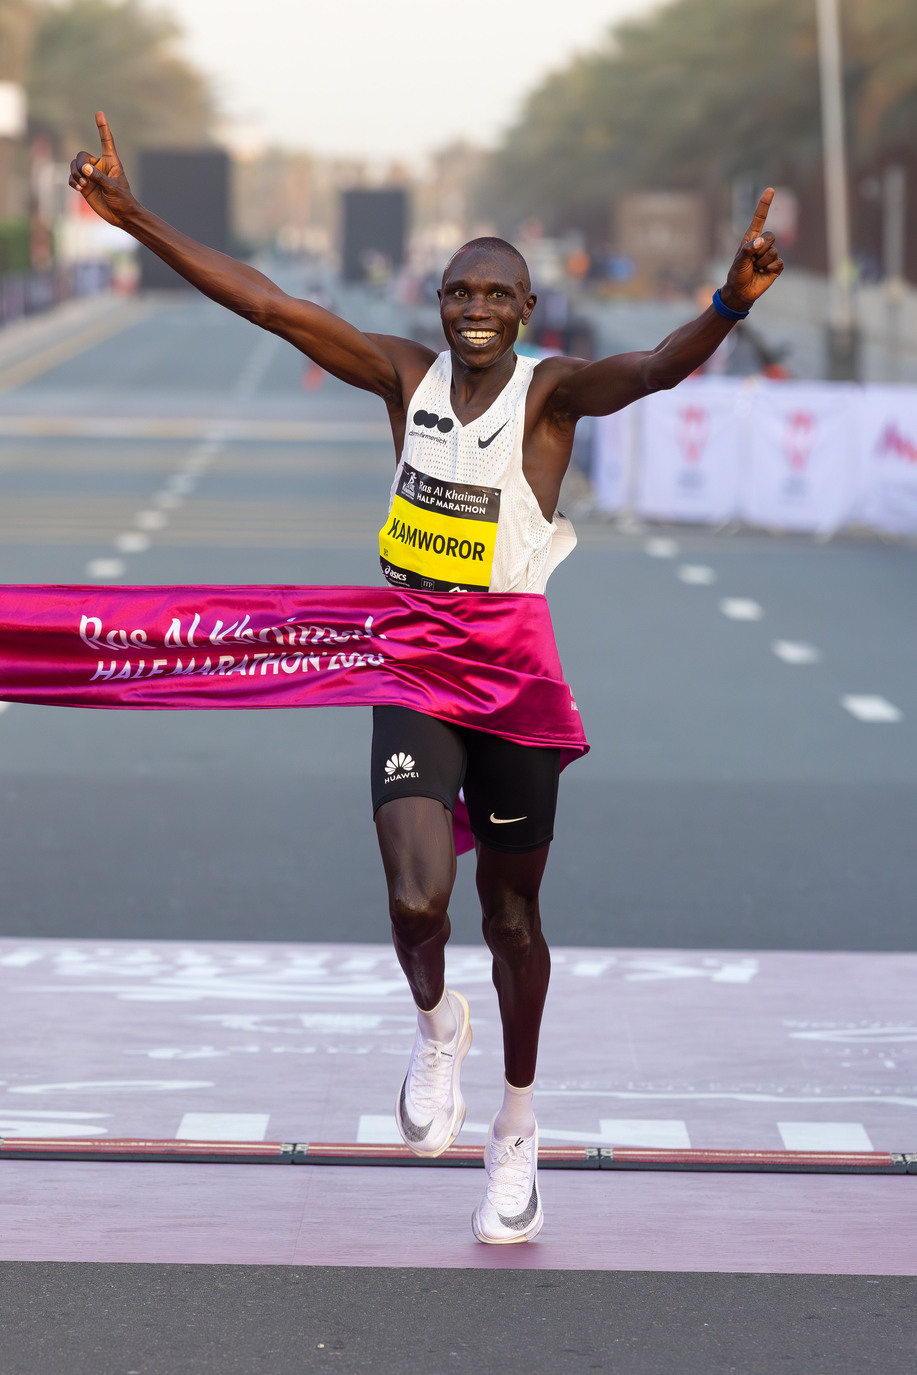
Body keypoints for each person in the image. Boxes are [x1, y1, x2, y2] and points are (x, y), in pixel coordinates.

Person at [70, 112, 784, 1244]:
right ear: (439, 305)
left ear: (527, 309)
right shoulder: (405, 377)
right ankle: (435, 1019)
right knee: (416, 901)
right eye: (459, 293)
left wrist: (728, 304)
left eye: (496, 293)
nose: (475, 308)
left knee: (511, 915)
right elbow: (270, 305)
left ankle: (516, 1126)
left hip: (514, 672)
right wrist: (134, 218)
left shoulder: (551, 396)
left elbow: (652, 369)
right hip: (410, 654)